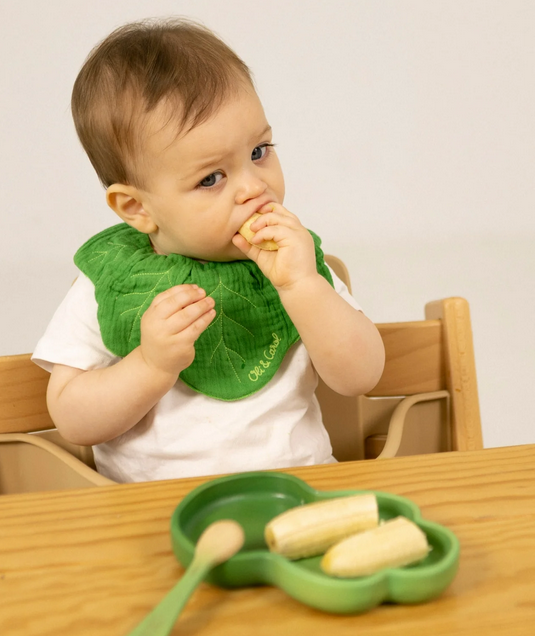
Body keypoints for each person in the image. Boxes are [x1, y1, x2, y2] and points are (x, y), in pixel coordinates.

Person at [32, 18, 385, 482]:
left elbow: (361, 376)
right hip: (154, 512)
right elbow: (73, 419)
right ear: (136, 207)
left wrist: (304, 289)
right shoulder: (110, 281)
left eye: (260, 152)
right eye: (211, 178)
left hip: (300, 493)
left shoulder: (293, 261)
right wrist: (150, 365)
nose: (253, 187)